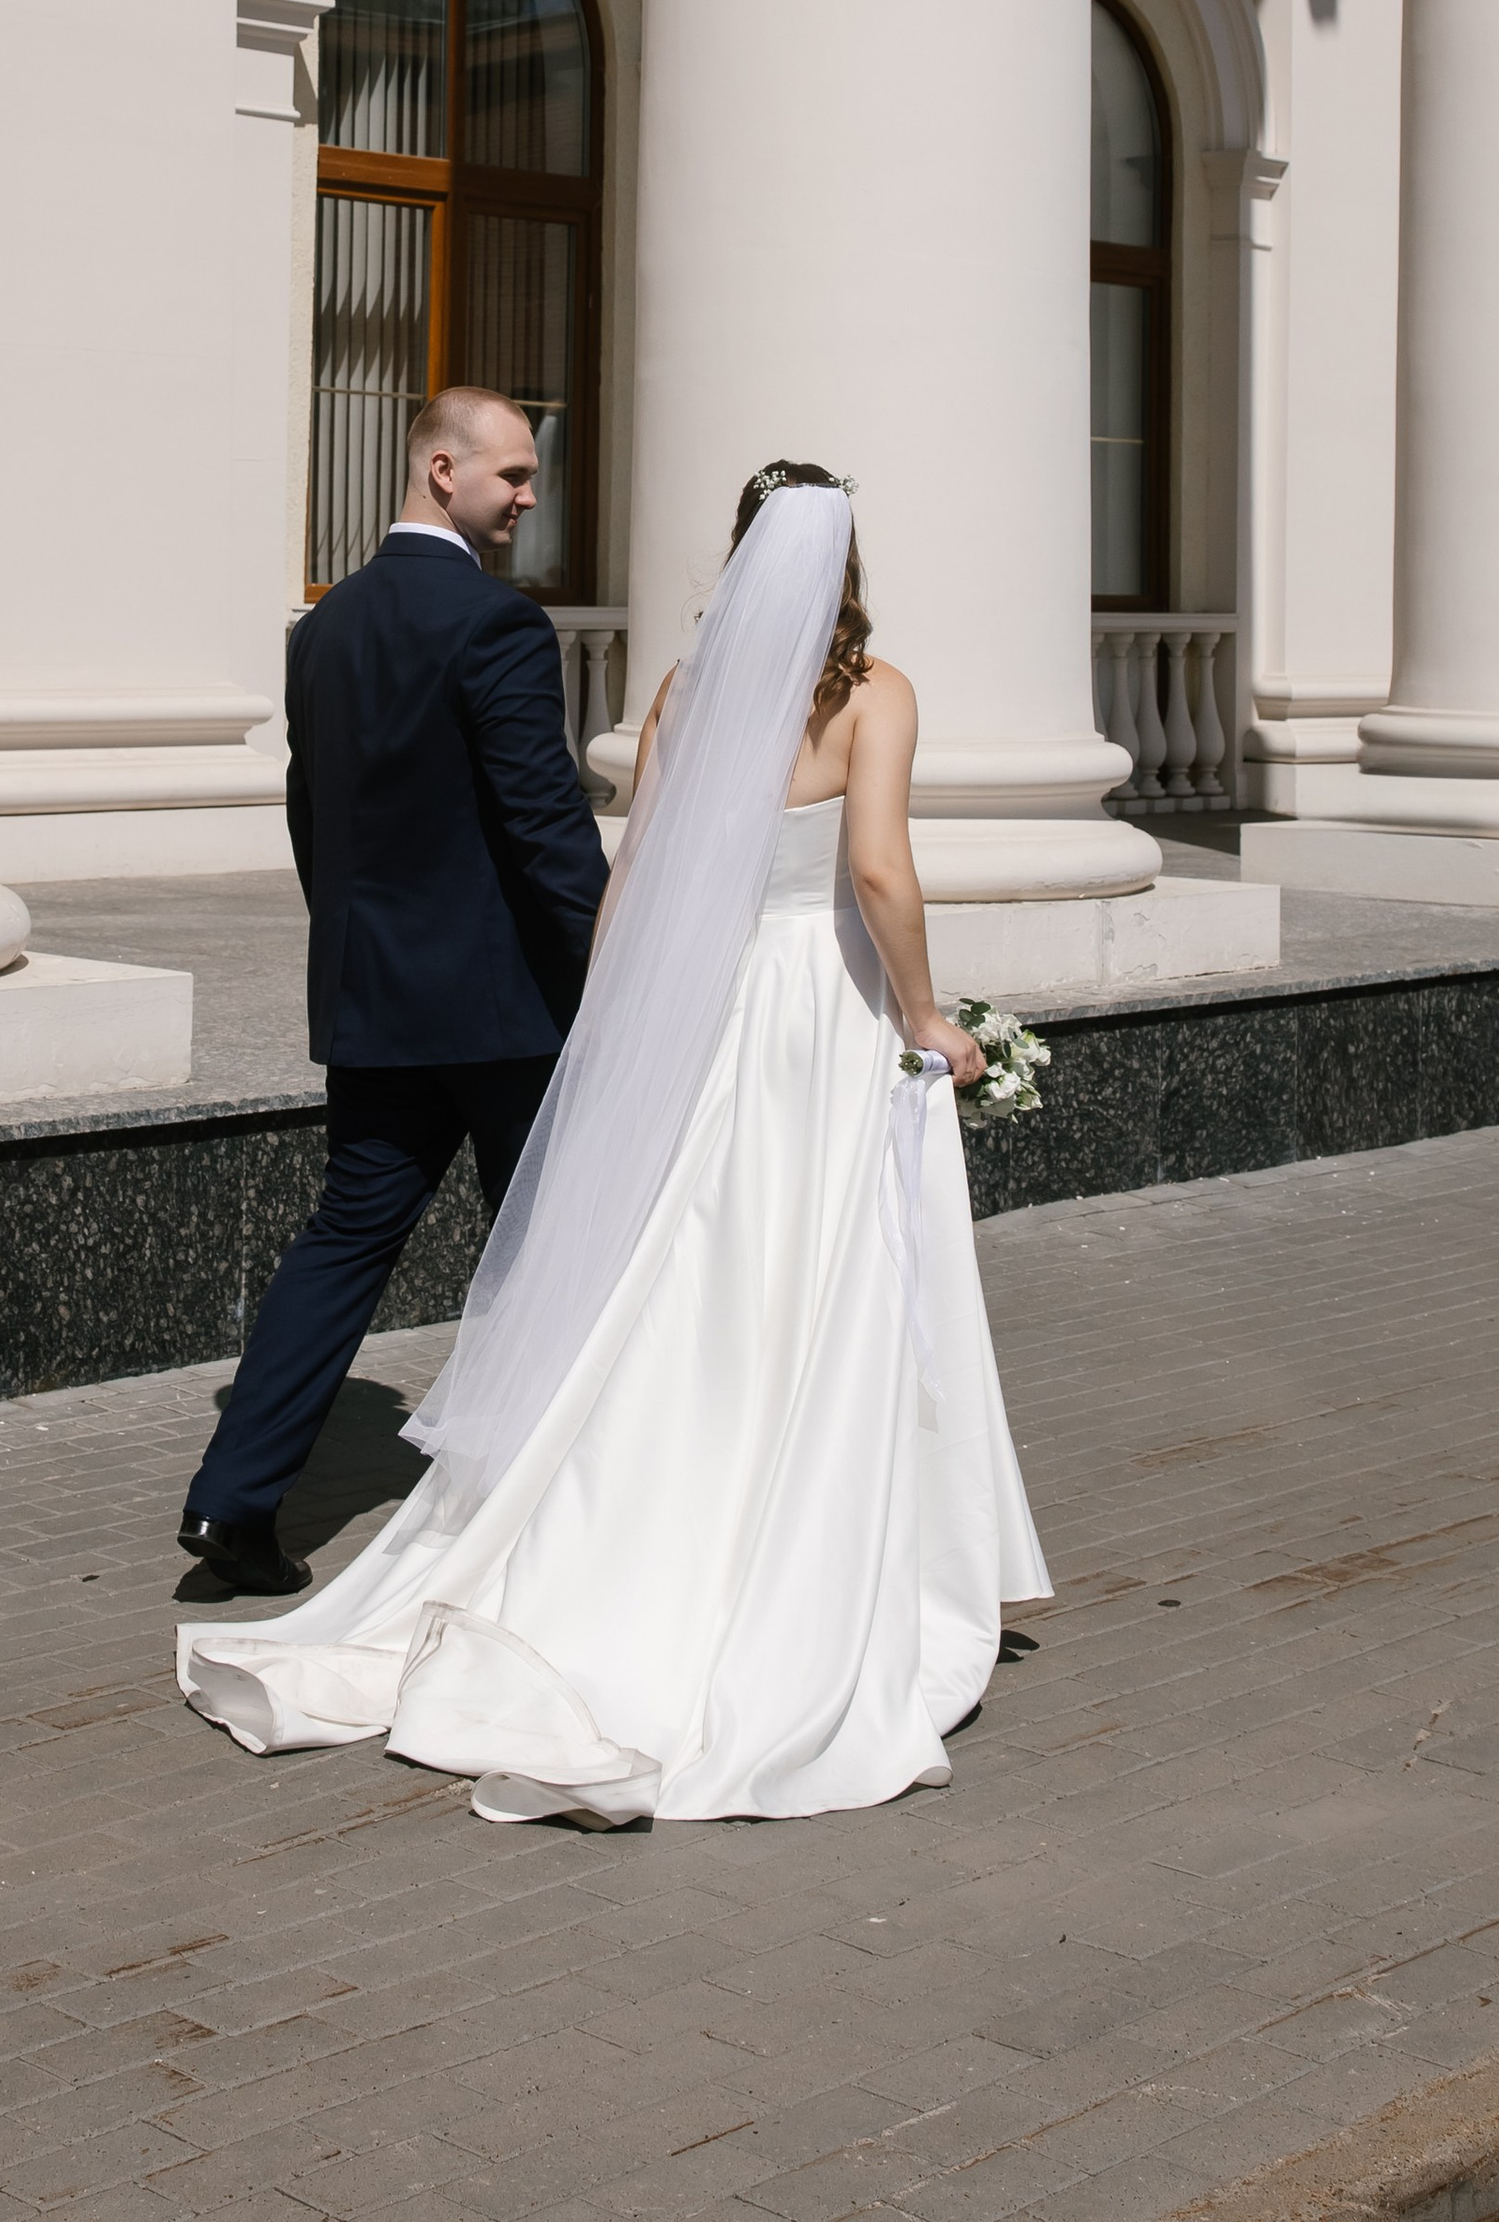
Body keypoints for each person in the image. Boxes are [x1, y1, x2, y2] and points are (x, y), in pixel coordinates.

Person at [177, 462, 1051, 1820]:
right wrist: (930, 1015)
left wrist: (626, 1025)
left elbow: (634, 876)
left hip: (702, 1012)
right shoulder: (876, 698)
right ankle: (792, 1563)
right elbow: (877, 869)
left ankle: (635, 1517)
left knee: (682, 1277)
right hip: (817, 1015)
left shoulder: (688, 695)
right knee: (812, 1277)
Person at [177, 385, 610, 1598]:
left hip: (377, 1001)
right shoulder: (497, 625)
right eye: (512, 476)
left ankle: (234, 1499)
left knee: (345, 1241)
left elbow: (312, 817)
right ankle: (548, 1502)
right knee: (542, 1249)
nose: (530, 498)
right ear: (440, 469)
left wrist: (360, 951)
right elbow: (544, 831)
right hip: (504, 1010)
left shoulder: (324, 630)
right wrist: (616, 971)